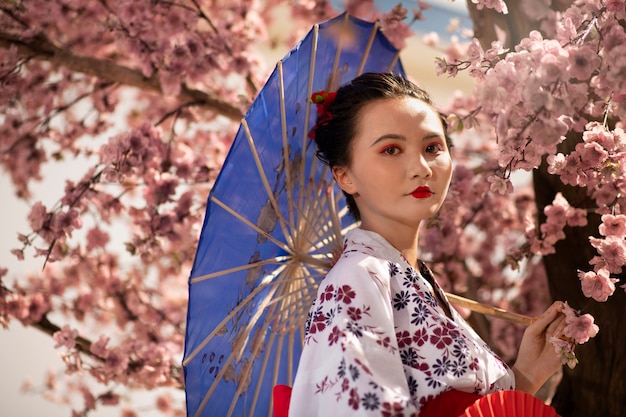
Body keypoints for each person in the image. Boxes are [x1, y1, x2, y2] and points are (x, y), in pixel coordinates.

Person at [288, 72, 567, 416]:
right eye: (391, 150)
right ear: (345, 175)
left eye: (432, 148)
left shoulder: (413, 278)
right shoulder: (357, 279)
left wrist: (528, 374)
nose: (421, 168)